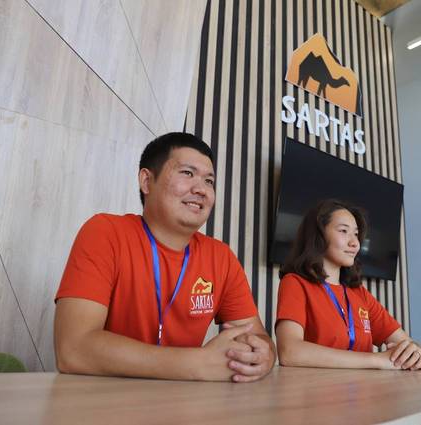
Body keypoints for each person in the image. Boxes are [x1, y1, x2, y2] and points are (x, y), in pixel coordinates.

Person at [54, 132, 275, 382]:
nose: (201, 189)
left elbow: (259, 336)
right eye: (187, 173)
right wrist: (195, 364)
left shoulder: (221, 257)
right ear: (147, 181)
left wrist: (263, 356)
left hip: (182, 400)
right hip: (102, 398)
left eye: (209, 181)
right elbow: (73, 350)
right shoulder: (105, 232)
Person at [275, 199, 421, 370]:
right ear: (318, 235)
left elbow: (405, 342)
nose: (355, 243)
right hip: (315, 386)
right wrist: (377, 360)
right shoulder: (295, 283)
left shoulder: (359, 293)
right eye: (343, 231)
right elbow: (290, 352)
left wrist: (417, 352)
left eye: (356, 234)